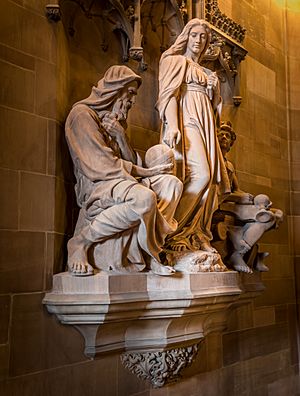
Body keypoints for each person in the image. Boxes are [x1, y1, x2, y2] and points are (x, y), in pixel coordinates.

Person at [65, 65, 183, 276]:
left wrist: (120, 136)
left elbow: (128, 160)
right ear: (114, 91)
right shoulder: (82, 116)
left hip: (121, 181)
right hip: (98, 185)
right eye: (130, 94)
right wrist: (148, 172)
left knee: (172, 185)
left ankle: (151, 249)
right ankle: (81, 242)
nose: (133, 101)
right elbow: (101, 166)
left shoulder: (115, 123)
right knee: (144, 199)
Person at [156, 18, 230, 253]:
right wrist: (173, 126)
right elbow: (169, 95)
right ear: (186, 36)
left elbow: (216, 109)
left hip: (205, 122)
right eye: (195, 35)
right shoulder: (174, 61)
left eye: (203, 37)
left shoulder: (208, 72)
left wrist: (213, 90)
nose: (199, 40)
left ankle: (195, 233)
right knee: (201, 175)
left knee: (209, 183)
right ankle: (171, 231)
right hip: (187, 120)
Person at [216, 121, 283, 273]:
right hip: (221, 204)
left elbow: (237, 190)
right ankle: (239, 253)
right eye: (221, 135)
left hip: (233, 203)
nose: (224, 137)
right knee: (266, 217)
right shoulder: (212, 161)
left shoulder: (229, 165)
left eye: (228, 136)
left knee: (275, 214)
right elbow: (216, 192)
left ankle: (248, 250)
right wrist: (239, 198)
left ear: (232, 142)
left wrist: (252, 199)